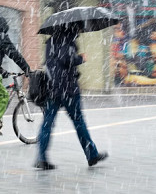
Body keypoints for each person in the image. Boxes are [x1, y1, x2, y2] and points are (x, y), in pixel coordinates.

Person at [34, 23, 108, 170]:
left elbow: (53, 62)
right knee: (79, 121)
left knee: (47, 123)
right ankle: (91, 154)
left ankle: (41, 157)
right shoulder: (67, 40)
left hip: (51, 88)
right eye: (79, 28)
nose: (80, 30)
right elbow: (66, 60)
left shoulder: (51, 41)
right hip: (68, 90)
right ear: (72, 28)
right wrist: (81, 58)